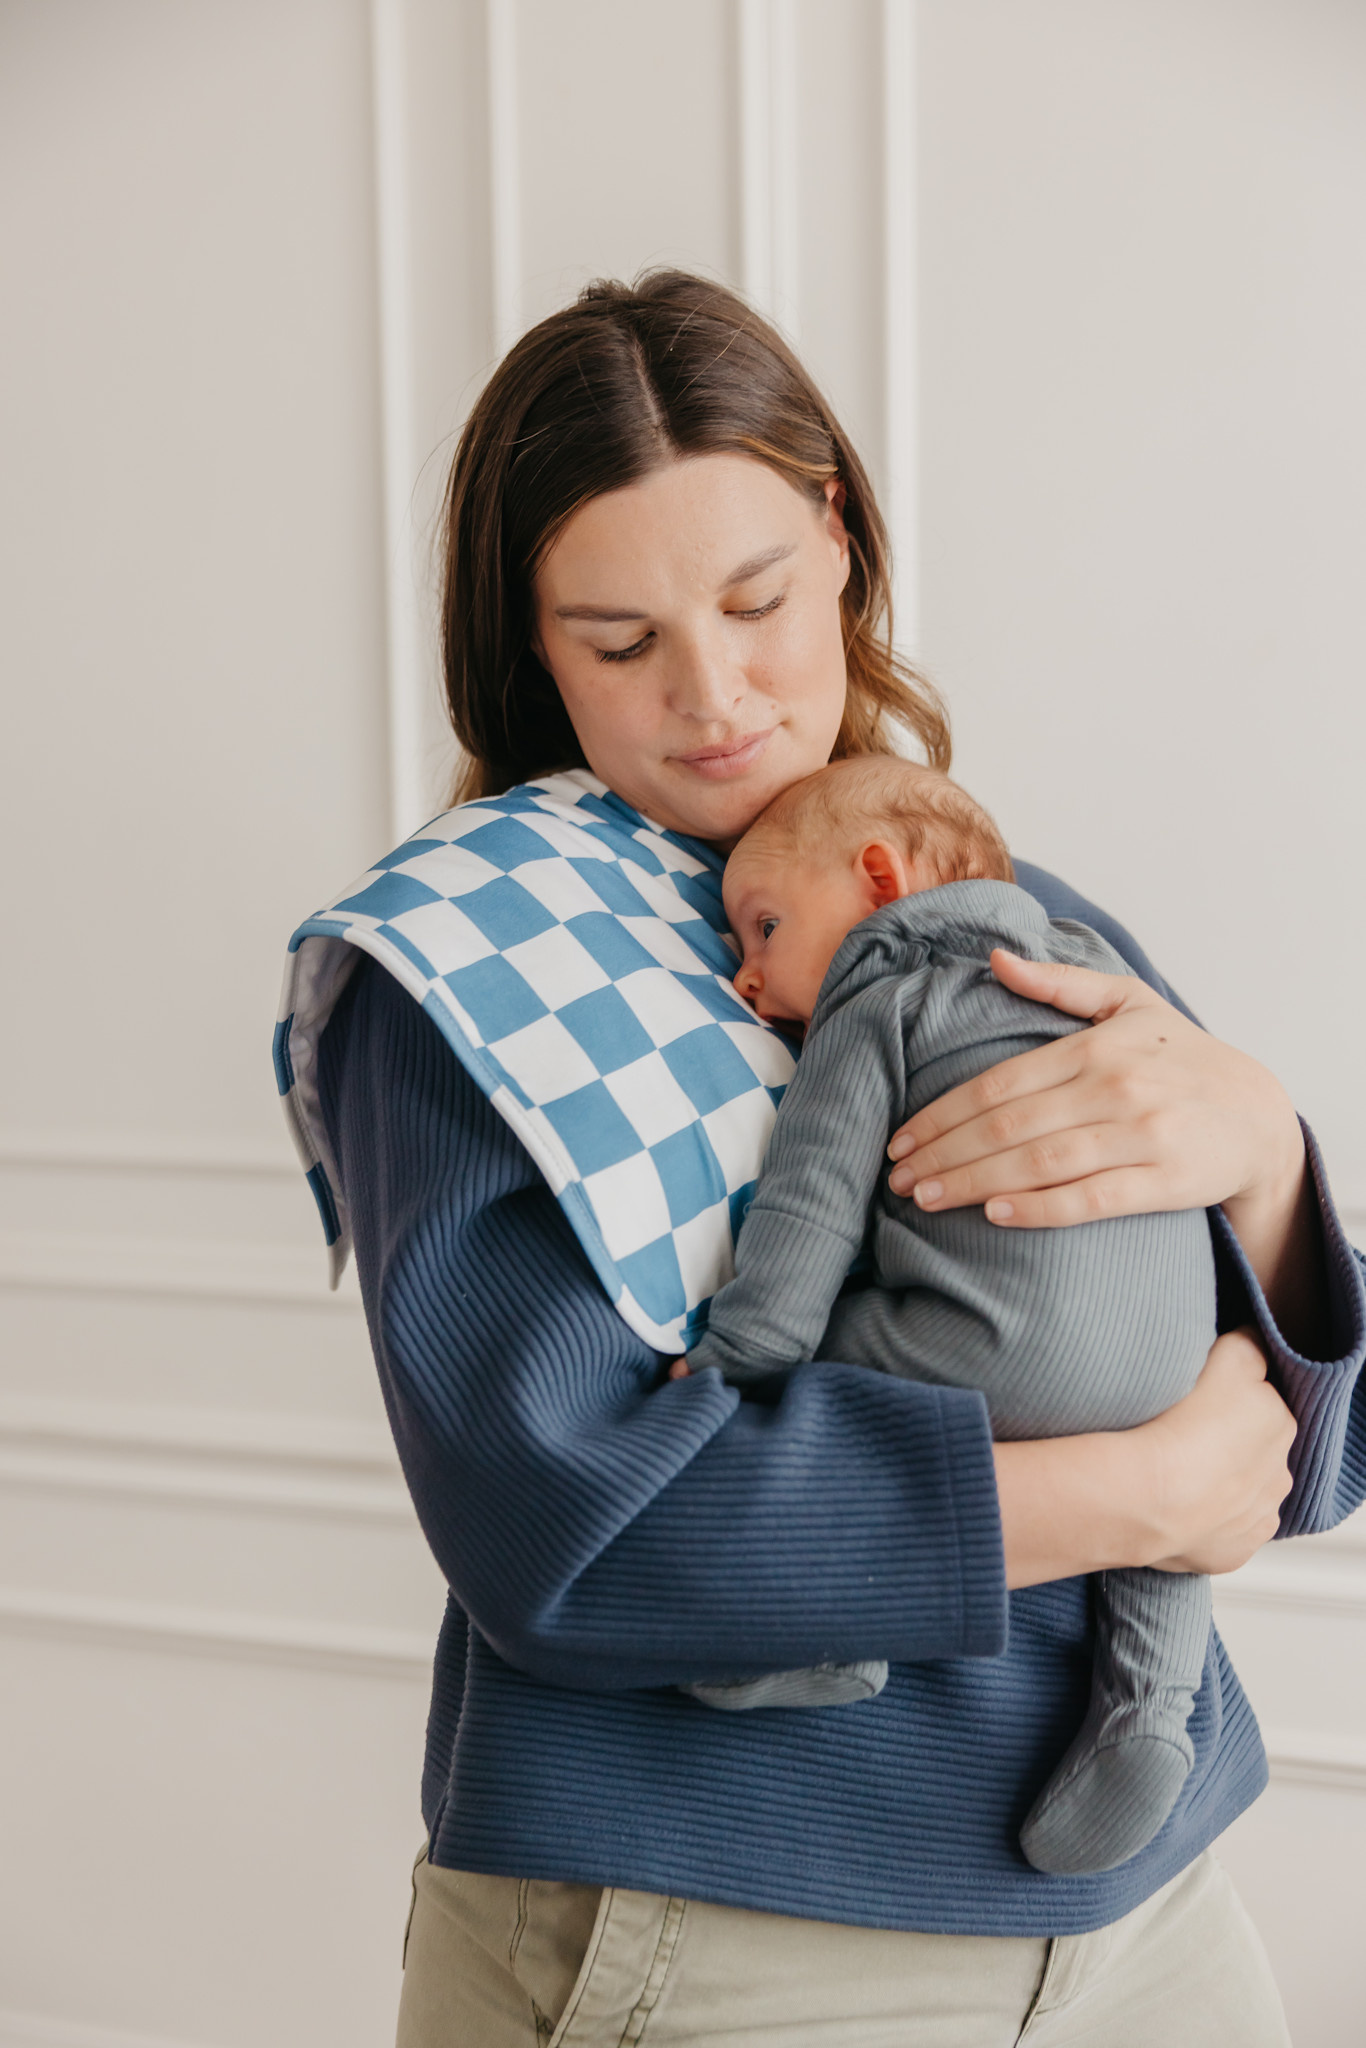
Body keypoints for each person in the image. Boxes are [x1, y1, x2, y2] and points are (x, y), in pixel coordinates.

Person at [281, 272, 1366, 2045]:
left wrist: (1261, 1160)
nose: (712, 695)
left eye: (757, 599)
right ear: (531, 645)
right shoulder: (475, 975)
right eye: (618, 640)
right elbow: (566, 1535)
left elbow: (1308, 1457)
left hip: (1151, 1908)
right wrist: (1128, 1495)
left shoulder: (1008, 915)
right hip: (721, 1932)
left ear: (842, 544)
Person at [673, 755, 1219, 1881]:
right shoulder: (1098, 968)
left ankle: (842, 1633)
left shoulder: (883, 996)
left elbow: (808, 1212)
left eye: (763, 927)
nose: (745, 975)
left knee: (831, 1391)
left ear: (879, 880)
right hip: (1177, 1356)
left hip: (996, 1347)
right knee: (1164, 1534)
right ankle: (1153, 1703)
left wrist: (742, 1359)